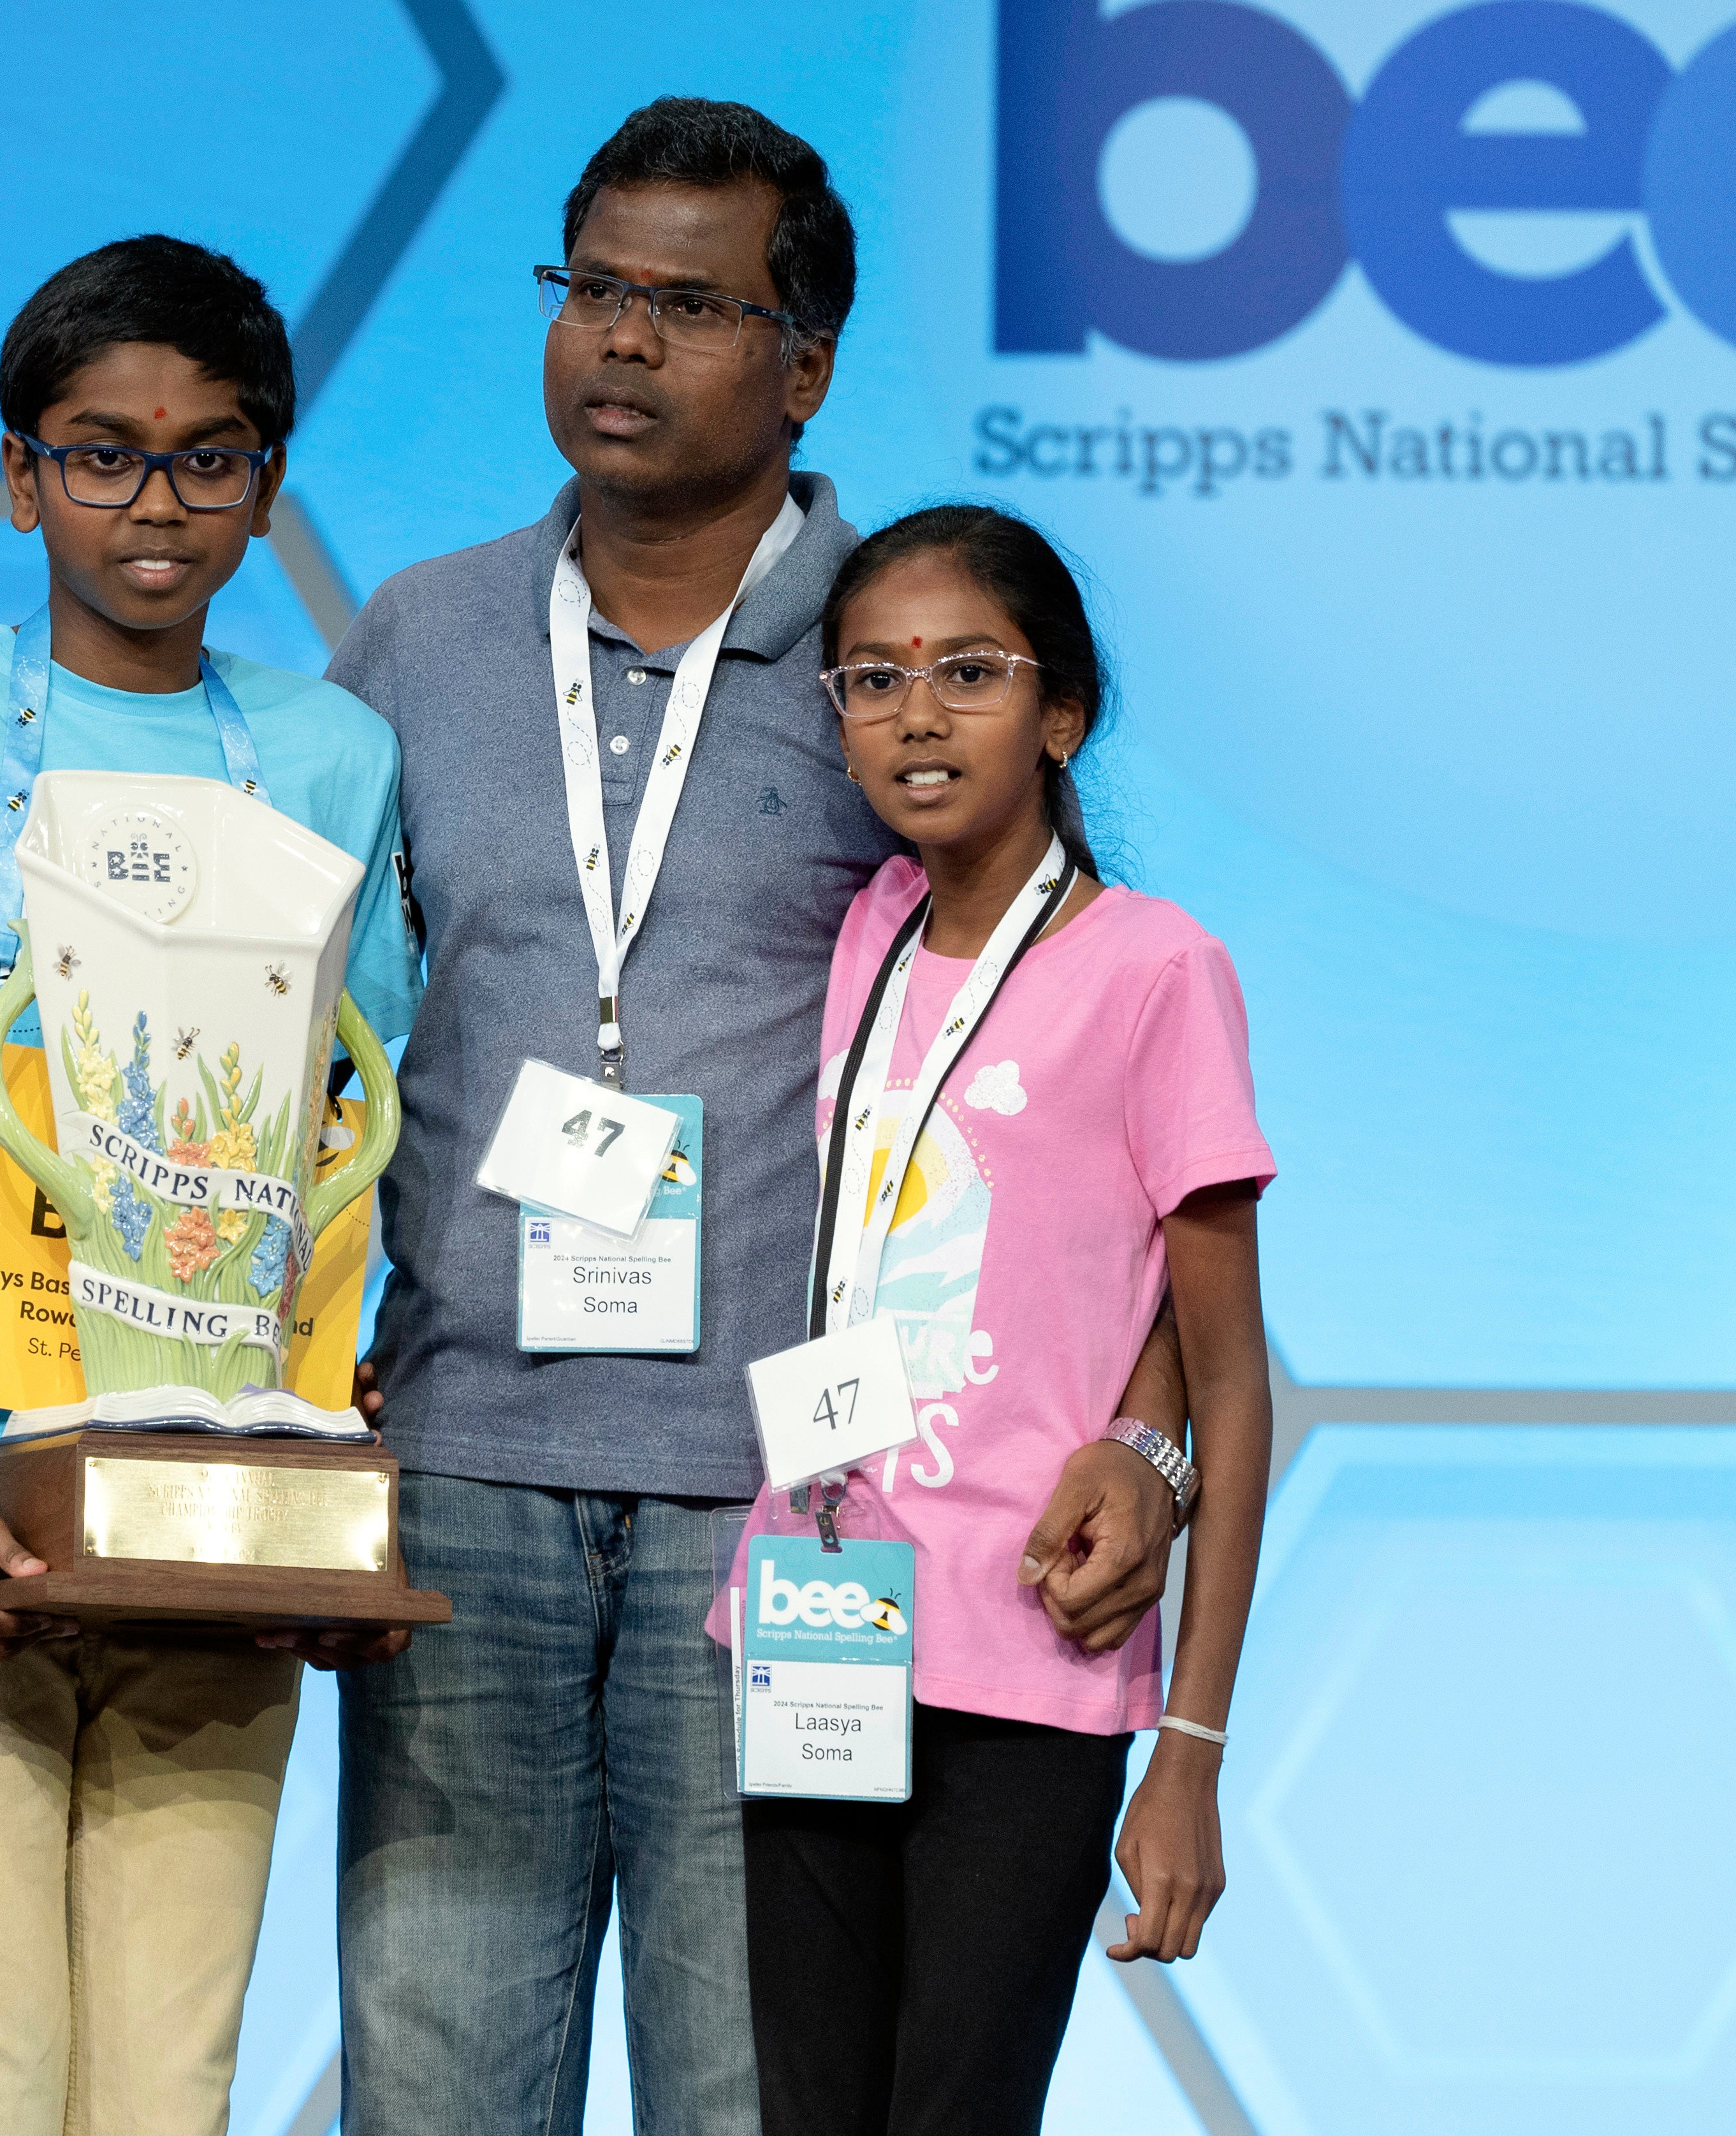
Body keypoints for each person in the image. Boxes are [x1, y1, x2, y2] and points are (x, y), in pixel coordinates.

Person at [319, 100, 1192, 2134]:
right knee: (436, 2091)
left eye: (688, 306)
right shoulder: (422, 641)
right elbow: (309, 1041)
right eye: (592, 289)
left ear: (803, 362)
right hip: (460, 1471)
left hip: (796, 1511)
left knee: (761, 2094)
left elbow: (1104, 1137)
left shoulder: (894, 667)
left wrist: (1148, 1438)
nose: (620, 342)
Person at [0, 235, 419, 2136]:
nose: (156, 501)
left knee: (162, 2095)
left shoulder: (333, 758)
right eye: (103, 451)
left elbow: (341, 1138)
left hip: (214, 1528)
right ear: (19, 471)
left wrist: (327, 1478)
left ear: (269, 484)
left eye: (210, 456)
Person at [727, 503, 1273, 2132]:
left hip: (1032, 1648)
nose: (914, 711)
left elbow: (1236, 1380)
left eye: (967, 670)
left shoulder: (1154, 967)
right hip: (815, 1617)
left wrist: (1189, 1747)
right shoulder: (864, 933)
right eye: (871, 676)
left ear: (1061, 713)